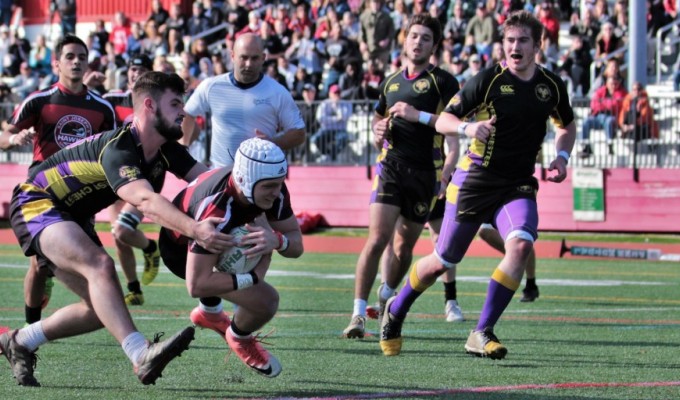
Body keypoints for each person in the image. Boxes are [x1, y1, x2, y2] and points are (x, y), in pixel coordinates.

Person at [0, 71, 231, 387]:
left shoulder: (166, 149)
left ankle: (20, 340)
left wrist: (256, 193)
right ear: (149, 105)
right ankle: (141, 354)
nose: (184, 111)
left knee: (102, 310)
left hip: (72, 216)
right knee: (100, 265)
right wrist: (196, 229)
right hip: (36, 199)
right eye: (176, 103)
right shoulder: (119, 147)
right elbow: (146, 200)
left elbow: (213, 184)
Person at [378, 10, 576, 359]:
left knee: (520, 246)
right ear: (502, 44)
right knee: (442, 259)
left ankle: (481, 331)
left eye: (523, 41)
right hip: (475, 179)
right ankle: (396, 307)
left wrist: (562, 158)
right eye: (510, 40)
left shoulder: (552, 86)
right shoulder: (487, 80)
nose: (515, 47)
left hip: (518, 183)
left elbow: (566, 125)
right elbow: (446, 121)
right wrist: (469, 129)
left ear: (538, 45)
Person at [342, 14, 460, 339]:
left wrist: (417, 116)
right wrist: (376, 130)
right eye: (414, 36)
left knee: (403, 246)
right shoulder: (391, 82)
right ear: (404, 40)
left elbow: (453, 124)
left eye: (425, 38)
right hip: (391, 166)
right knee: (378, 239)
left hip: (425, 174)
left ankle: (385, 297)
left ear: (433, 46)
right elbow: (377, 120)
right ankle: (356, 314)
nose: (418, 42)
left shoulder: (444, 82)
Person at [159, 137, 303, 378]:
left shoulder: (270, 187)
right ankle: (239, 337)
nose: (276, 192)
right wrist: (253, 277)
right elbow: (197, 284)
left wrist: (278, 240)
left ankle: (209, 313)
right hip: (179, 251)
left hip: (217, 236)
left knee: (248, 237)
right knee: (266, 301)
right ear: (245, 180)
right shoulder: (216, 207)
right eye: (269, 186)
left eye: (280, 183)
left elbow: (297, 245)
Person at [0, 35, 117, 328]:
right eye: (69, 56)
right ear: (56, 63)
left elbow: (114, 152)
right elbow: (4, 134)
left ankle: (28, 336)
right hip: (42, 195)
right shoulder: (39, 100)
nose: (76, 61)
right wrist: (14, 138)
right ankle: (29, 332)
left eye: (81, 56)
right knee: (39, 268)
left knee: (96, 267)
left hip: (81, 196)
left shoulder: (103, 108)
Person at [182, 33, 305, 169]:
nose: (248, 64)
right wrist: (183, 148)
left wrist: (273, 142)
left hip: (262, 177)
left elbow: (299, 133)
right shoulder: (211, 86)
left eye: (254, 58)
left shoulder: (277, 92)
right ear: (233, 56)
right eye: (244, 57)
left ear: (263, 58)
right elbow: (187, 113)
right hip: (221, 176)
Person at [103, 54, 161, 306]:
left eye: (140, 69)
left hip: (146, 177)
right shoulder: (112, 100)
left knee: (122, 229)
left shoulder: (157, 103)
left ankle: (150, 248)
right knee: (118, 237)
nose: (134, 73)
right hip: (118, 175)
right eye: (131, 69)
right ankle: (134, 289)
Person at [579, 75, 627, 158]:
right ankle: (586, 146)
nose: (613, 85)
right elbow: (594, 104)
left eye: (615, 83)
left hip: (612, 116)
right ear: (607, 83)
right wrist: (607, 104)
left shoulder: (622, 92)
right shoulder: (600, 91)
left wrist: (602, 103)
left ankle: (610, 145)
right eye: (611, 83)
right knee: (586, 122)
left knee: (609, 121)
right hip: (598, 116)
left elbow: (616, 104)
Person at [312, 84, 351, 162]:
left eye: (338, 93)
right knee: (315, 139)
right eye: (334, 93)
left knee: (344, 138)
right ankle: (327, 154)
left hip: (340, 130)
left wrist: (337, 106)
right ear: (330, 94)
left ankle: (331, 156)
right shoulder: (324, 103)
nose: (336, 95)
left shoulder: (346, 103)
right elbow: (320, 118)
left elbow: (345, 116)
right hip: (326, 129)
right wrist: (336, 119)